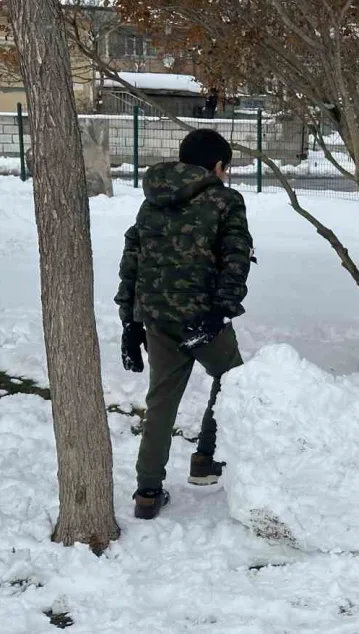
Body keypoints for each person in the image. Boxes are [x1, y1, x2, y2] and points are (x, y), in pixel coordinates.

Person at [115, 129, 253, 520]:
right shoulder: (225, 200)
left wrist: (131, 322)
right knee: (232, 381)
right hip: (202, 317)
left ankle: (147, 492)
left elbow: (132, 261)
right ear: (218, 166)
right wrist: (220, 313)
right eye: (226, 167)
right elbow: (236, 258)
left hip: (158, 318)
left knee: (161, 400)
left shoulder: (152, 201)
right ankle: (206, 458)